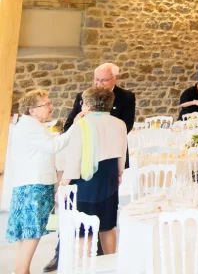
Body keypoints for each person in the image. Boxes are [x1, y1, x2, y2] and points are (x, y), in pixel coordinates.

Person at [7, 91, 73, 274]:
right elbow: (53, 146)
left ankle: (22, 270)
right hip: (33, 186)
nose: (51, 107)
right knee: (32, 232)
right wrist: (75, 127)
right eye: (46, 104)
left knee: (27, 232)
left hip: (28, 185)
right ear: (32, 110)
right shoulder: (30, 127)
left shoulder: (30, 125)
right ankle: (21, 271)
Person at [58, 87, 128, 258]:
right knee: (108, 225)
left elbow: (74, 157)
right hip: (109, 175)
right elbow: (122, 150)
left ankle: (86, 268)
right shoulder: (119, 123)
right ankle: (112, 266)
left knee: (85, 230)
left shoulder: (81, 125)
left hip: (86, 180)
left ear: (87, 105)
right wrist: (119, 173)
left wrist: (64, 183)